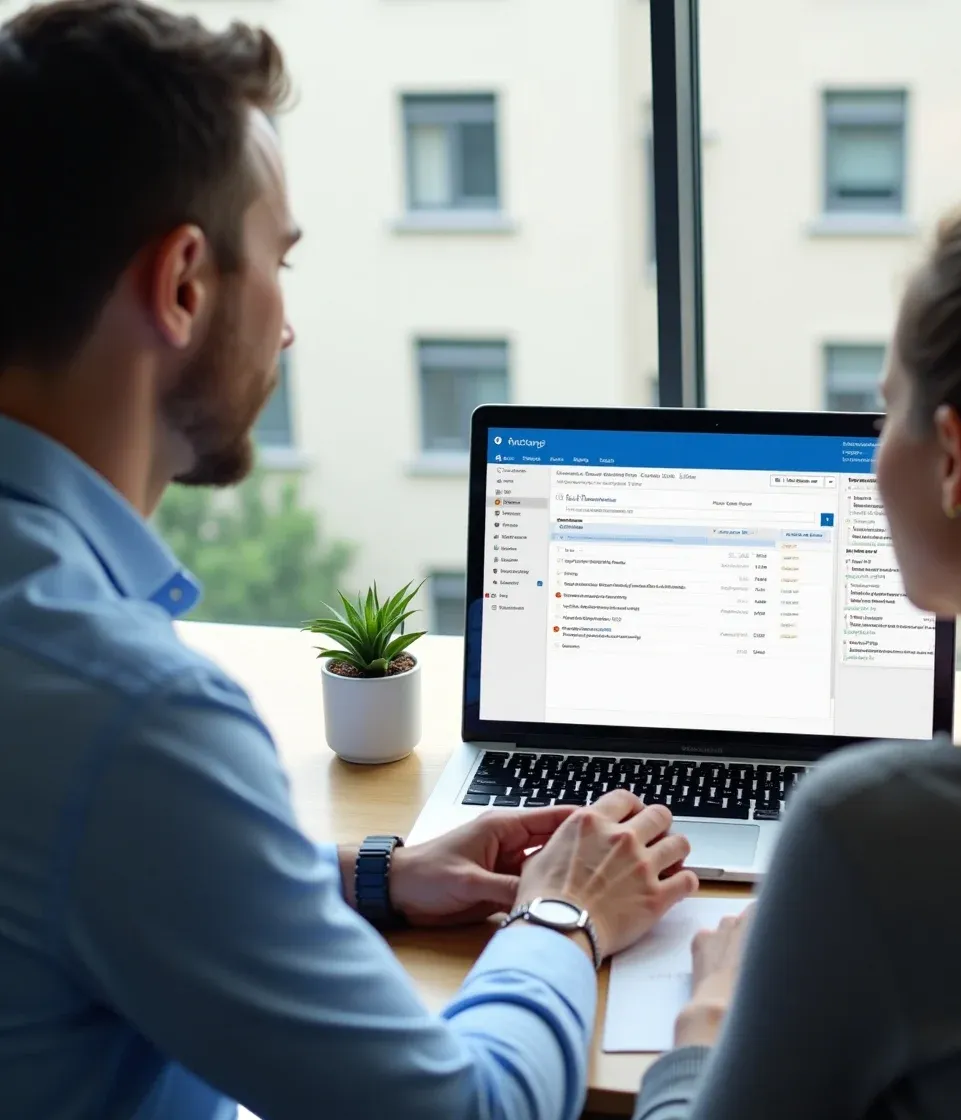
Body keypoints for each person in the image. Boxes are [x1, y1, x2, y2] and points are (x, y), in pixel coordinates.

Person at [0, 3, 700, 1119]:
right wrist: (562, 914)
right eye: (278, 259)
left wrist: (369, 875)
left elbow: (84, 874)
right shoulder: (126, 710)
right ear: (183, 282)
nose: (286, 325)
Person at [634, 171, 961, 1119]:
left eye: (885, 408)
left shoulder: (882, 832)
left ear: (954, 457)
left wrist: (705, 1024)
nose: (869, 443)